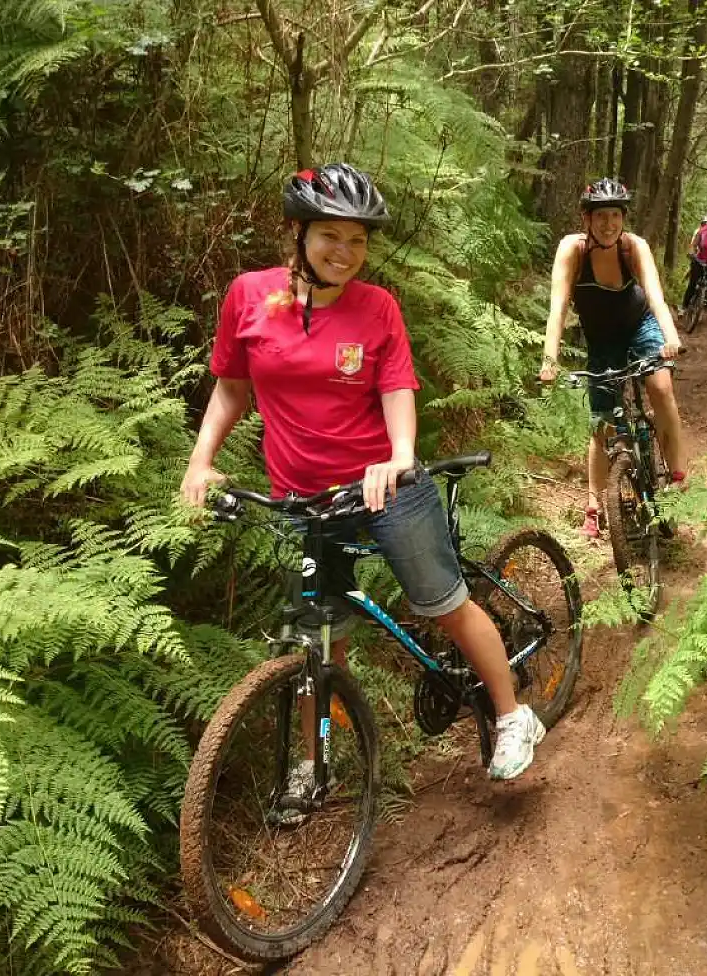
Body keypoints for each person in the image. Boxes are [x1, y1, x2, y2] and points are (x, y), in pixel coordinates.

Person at [179, 163, 544, 794]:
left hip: (385, 490)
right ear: (297, 233)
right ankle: (316, 761)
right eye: (330, 236)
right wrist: (200, 459)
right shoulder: (249, 297)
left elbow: (397, 386)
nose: (345, 253)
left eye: (358, 240)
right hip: (306, 503)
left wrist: (399, 454)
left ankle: (514, 715)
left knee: (444, 606)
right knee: (320, 640)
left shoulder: (377, 308)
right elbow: (232, 388)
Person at [538, 177, 689, 539]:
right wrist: (549, 359)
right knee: (602, 424)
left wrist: (671, 338)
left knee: (660, 386)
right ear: (586, 219)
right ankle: (593, 507)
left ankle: (679, 476)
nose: (609, 223)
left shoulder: (634, 247)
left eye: (616, 215)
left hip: (641, 326)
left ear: (624, 218)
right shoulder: (572, 251)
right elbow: (558, 308)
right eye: (601, 215)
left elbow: (654, 295)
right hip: (602, 339)